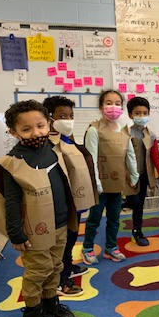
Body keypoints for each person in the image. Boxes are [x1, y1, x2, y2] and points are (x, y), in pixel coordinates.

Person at [0, 100, 77, 317]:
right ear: (13, 132)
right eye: (26, 129)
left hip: (59, 223)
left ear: (49, 123)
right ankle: (33, 311)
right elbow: (12, 202)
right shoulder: (13, 163)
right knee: (38, 270)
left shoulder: (54, 150)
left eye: (40, 125)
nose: (36, 132)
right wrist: (16, 234)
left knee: (55, 266)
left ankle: (51, 304)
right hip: (32, 230)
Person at [42, 96, 97, 297]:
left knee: (72, 236)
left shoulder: (68, 139)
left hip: (75, 200)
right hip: (59, 204)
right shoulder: (46, 144)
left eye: (71, 116)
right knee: (60, 241)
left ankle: (68, 266)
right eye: (62, 116)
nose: (68, 120)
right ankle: (59, 280)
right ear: (49, 118)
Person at [81, 90, 139, 264]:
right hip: (100, 184)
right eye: (108, 103)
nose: (112, 107)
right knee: (94, 218)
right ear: (101, 107)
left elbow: (130, 154)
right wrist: (96, 182)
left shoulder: (123, 130)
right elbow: (91, 157)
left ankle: (110, 247)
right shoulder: (94, 130)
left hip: (117, 182)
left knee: (115, 218)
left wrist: (134, 174)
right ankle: (87, 248)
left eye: (116, 103)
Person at [125, 96, 159, 246]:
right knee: (133, 201)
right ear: (130, 115)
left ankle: (137, 231)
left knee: (139, 205)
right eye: (137, 113)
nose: (141, 116)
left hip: (143, 175)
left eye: (144, 113)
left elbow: (155, 156)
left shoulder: (151, 135)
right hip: (128, 175)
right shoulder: (125, 134)